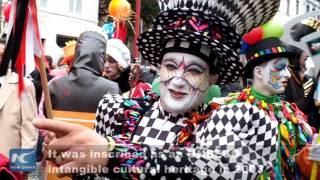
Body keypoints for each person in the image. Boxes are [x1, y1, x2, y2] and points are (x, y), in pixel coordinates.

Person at [35, 0, 281, 179]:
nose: (178, 79)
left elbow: (212, 167)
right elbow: (94, 173)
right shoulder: (117, 108)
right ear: (159, 67)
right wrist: (73, 157)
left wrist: (111, 152)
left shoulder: (233, 120)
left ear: (213, 78)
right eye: (170, 66)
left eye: (194, 71)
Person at [220, 23, 315, 179]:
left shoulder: (290, 113)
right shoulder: (232, 109)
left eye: (288, 68)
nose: (288, 75)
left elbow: (300, 158)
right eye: (280, 68)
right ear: (258, 72)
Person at [49, 30, 120, 113]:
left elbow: (45, 116)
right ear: (101, 57)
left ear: (77, 53)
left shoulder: (55, 85)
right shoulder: (112, 89)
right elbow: (115, 121)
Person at [0, 39, 38, 157]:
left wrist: (22, 167)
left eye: (1, 56)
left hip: (8, 163)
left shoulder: (24, 85)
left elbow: (30, 129)